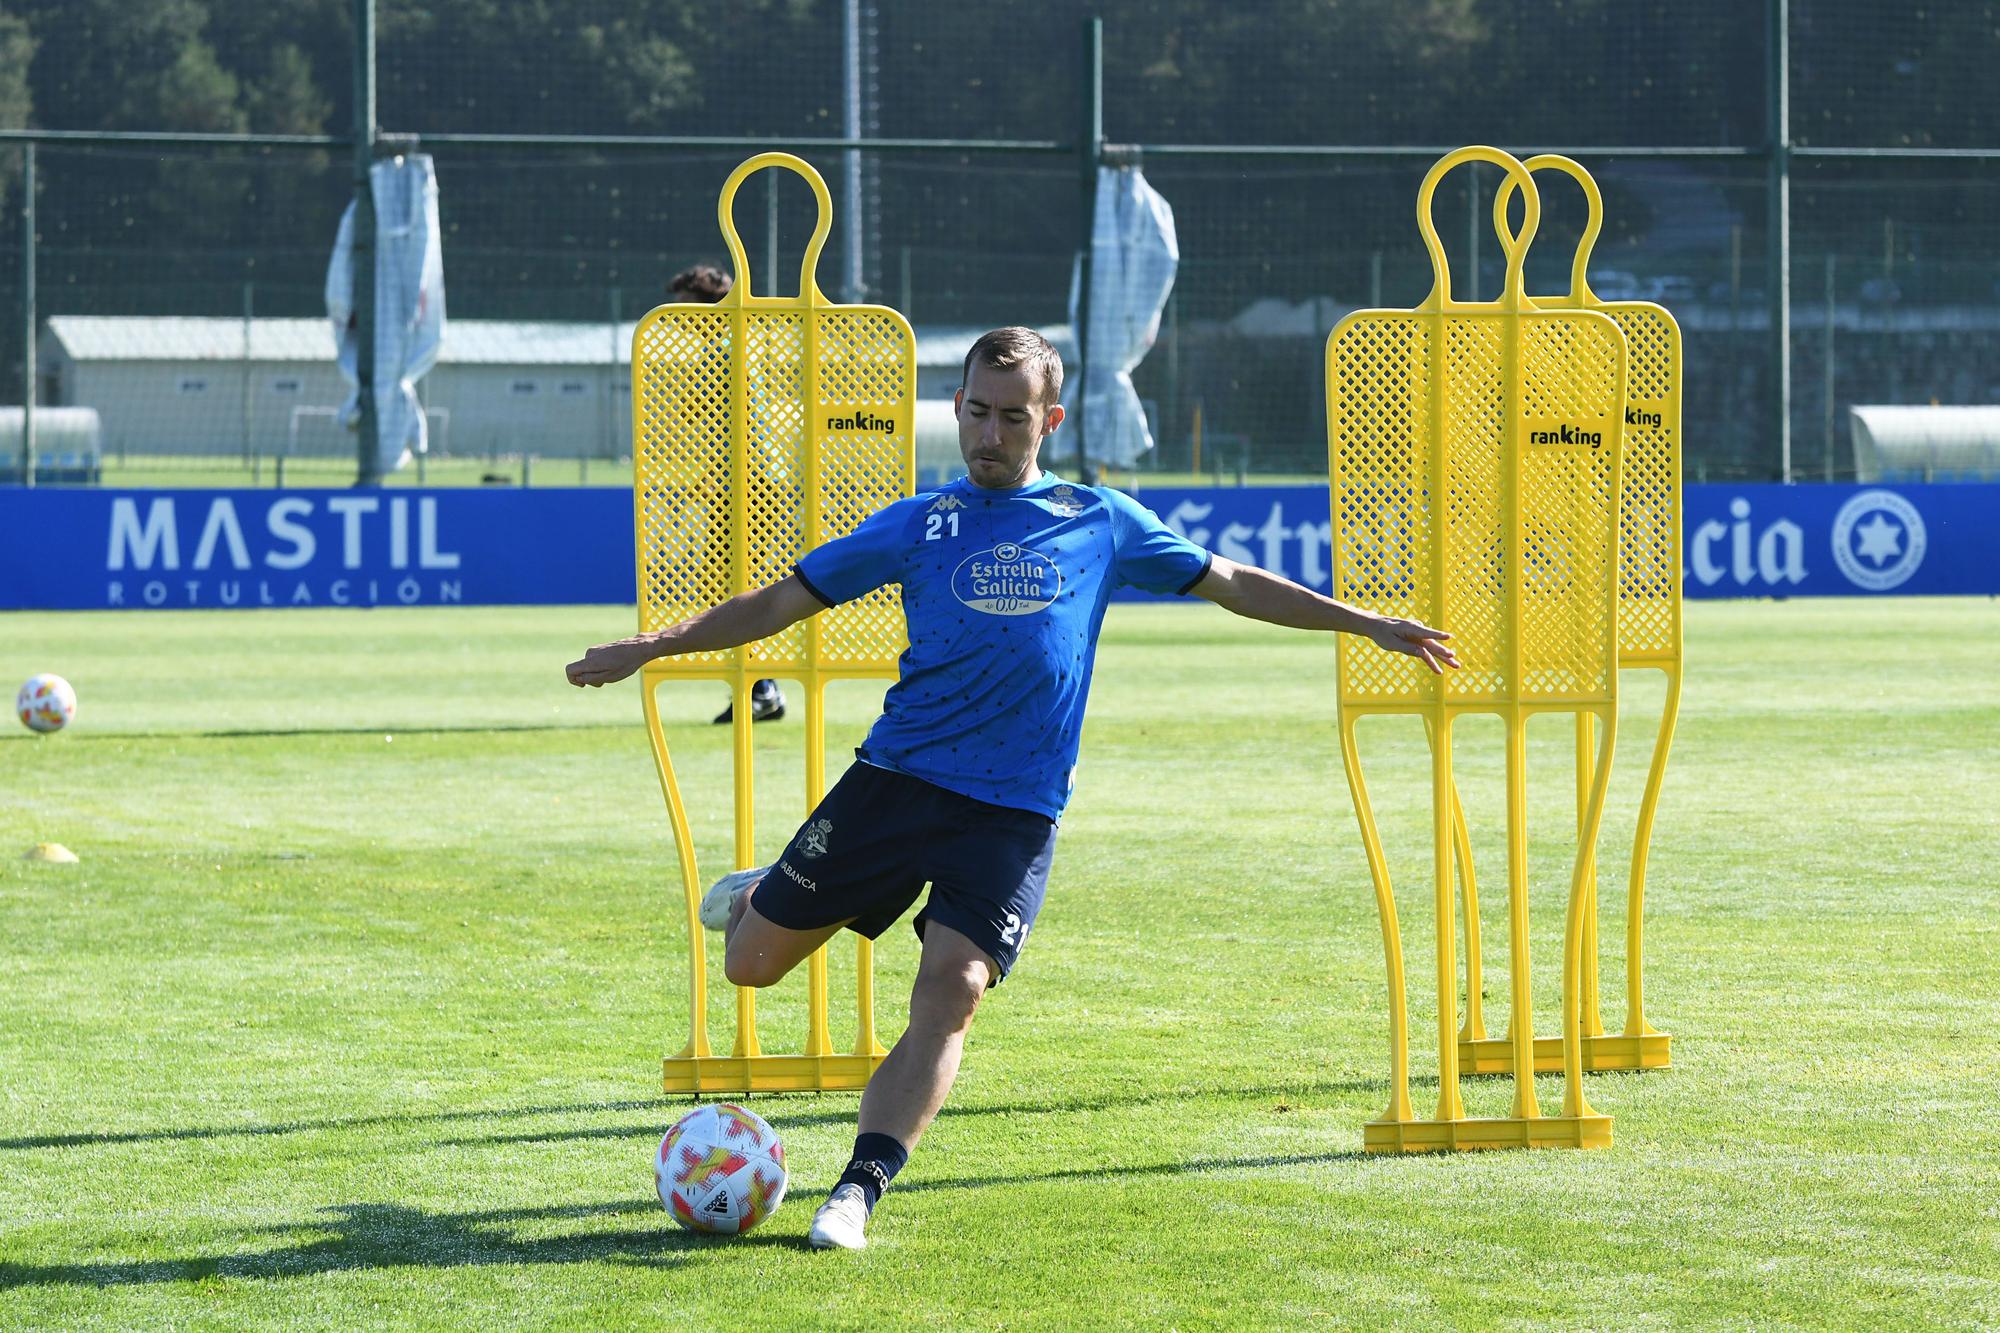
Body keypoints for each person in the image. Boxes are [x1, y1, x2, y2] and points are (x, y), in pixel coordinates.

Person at [567, 326, 1457, 1250]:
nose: (992, 434)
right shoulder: (915, 523)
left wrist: (1370, 623)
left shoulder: (1098, 518)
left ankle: (857, 1192)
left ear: (1051, 419)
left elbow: (1230, 579)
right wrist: (656, 645)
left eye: (1015, 417)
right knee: (749, 966)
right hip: (895, 783)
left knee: (953, 987)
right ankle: (761, 892)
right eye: (978, 413)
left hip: (1014, 811)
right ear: (958, 408)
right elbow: (776, 603)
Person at [666, 263, 787, 725]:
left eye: (687, 310)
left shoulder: (725, 350)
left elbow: (704, 409)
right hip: (747, 479)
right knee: (728, 586)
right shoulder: (740, 346)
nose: (681, 321)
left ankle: (761, 687)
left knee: (734, 589)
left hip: (751, 482)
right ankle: (759, 686)